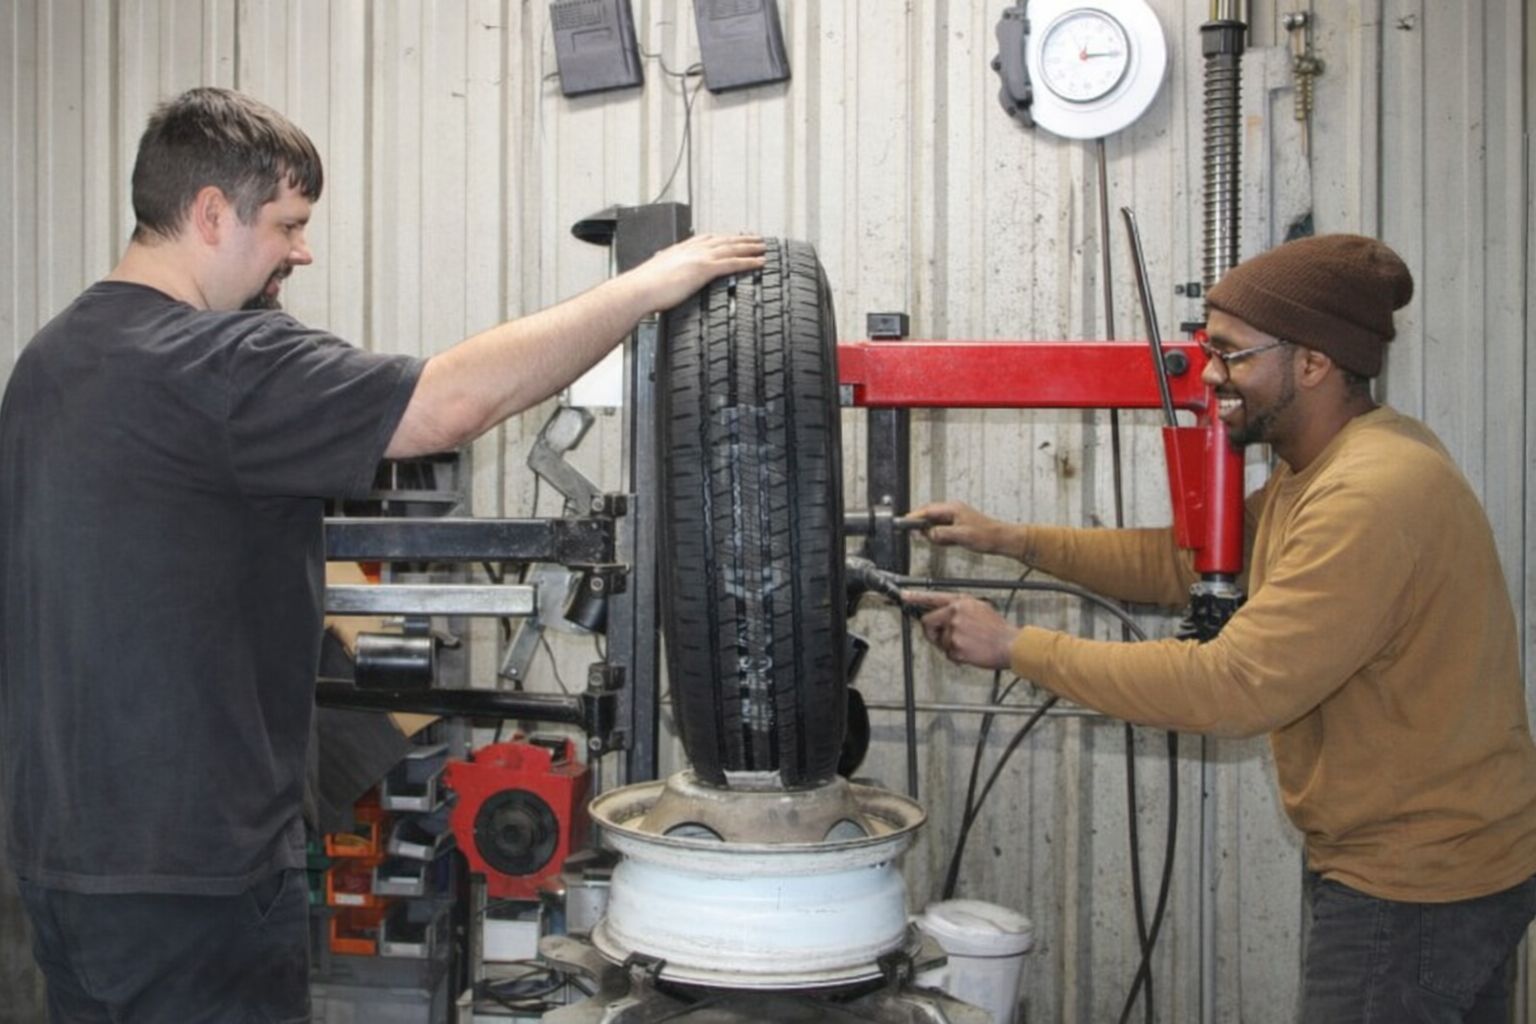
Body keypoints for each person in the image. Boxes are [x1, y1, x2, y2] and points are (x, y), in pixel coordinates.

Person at [0, 86, 763, 1022]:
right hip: (194, 878)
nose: (301, 250)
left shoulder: (51, 359)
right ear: (208, 213)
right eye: (287, 223)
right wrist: (644, 288)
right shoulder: (214, 364)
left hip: (66, 862)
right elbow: (447, 406)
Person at [907, 234, 1536, 1023]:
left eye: (1231, 355)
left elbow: (1231, 686)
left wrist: (1016, 647)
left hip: (1414, 887)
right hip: (1433, 866)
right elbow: (1191, 564)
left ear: (1311, 361)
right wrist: (1011, 539)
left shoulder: (1371, 494)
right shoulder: (1330, 469)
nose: (1208, 375)